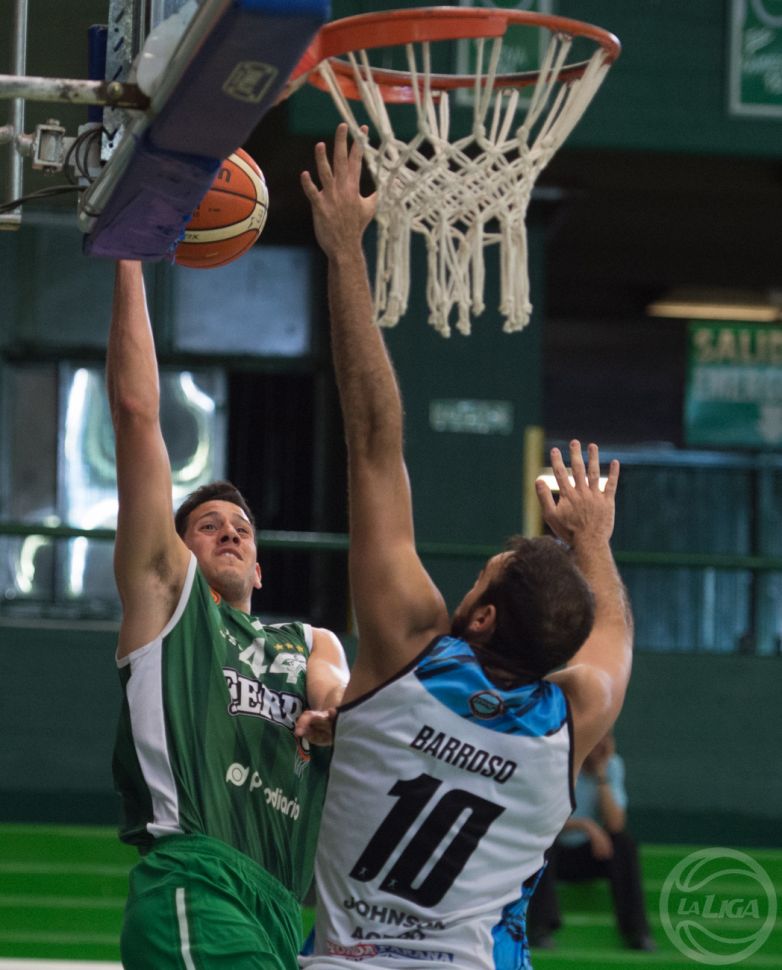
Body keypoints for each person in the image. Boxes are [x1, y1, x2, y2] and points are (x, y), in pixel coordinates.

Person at [297, 123, 634, 969]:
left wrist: (344, 253)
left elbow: (375, 441)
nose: (469, 586)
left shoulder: (409, 650)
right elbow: (613, 634)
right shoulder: (575, 720)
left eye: (481, 577)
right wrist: (593, 540)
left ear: (480, 617)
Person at [107, 260, 349, 970]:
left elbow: (335, 687)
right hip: (196, 886)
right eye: (208, 526)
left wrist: (338, 713)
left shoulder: (309, 640)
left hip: (277, 910)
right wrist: (130, 253)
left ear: (261, 567)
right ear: (177, 553)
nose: (231, 533)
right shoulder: (171, 605)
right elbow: (137, 413)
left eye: (242, 527)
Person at [526, 731, 655, 952]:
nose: (600, 744)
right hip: (553, 855)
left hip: (591, 853)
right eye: (596, 738)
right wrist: (586, 825)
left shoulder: (612, 765)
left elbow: (615, 824)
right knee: (543, 844)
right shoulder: (559, 763)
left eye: (606, 739)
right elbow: (544, 819)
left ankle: (637, 932)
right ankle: (541, 929)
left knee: (623, 843)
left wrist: (601, 774)